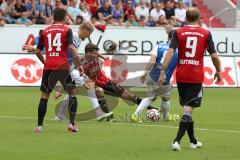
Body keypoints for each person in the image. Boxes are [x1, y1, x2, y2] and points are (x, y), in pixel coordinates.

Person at [159, 7, 222, 151]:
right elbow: (214, 56)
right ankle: (176, 141)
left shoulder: (178, 32)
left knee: (187, 108)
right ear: (199, 18)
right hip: (195, 76)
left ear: (186, 18)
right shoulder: (206, 33)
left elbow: (170, 51)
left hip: (181, 75)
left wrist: (163, 71)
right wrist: (218, 71)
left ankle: (193, 141)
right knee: (188, 110)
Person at [31, 8, 83, 133]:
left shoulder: (45, 31)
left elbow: (38, 51)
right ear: (65, 17)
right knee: (72, 92)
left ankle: (39, 126)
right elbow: (71, 48)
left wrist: (45, 62)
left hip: (49, 67)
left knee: (44, 96)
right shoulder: (67, 30)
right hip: (63, 67)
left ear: (53, 17)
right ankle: (71, 124)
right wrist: (79, 64)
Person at [82, 43, 156, 120]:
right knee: (99, 92)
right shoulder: (83, 65)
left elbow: (98, 54)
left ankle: (151, 108)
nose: (96, 55)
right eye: (94, 53)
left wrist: (103, 57)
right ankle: (106, 116)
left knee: (129, 96)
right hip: (94, 85)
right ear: (88, 53)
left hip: (105, 81)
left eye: (96, 53)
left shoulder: (95, 56)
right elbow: (82, 78)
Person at [131, 30, 178, 122]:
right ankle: (166, 116)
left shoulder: (159, 46)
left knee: (150, 97)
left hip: (152, 76)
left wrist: (144, 74)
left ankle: (135, 115)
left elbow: (152, 61)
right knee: (165, 98)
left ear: (168, 37)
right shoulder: (178, 50)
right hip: (164, 78)